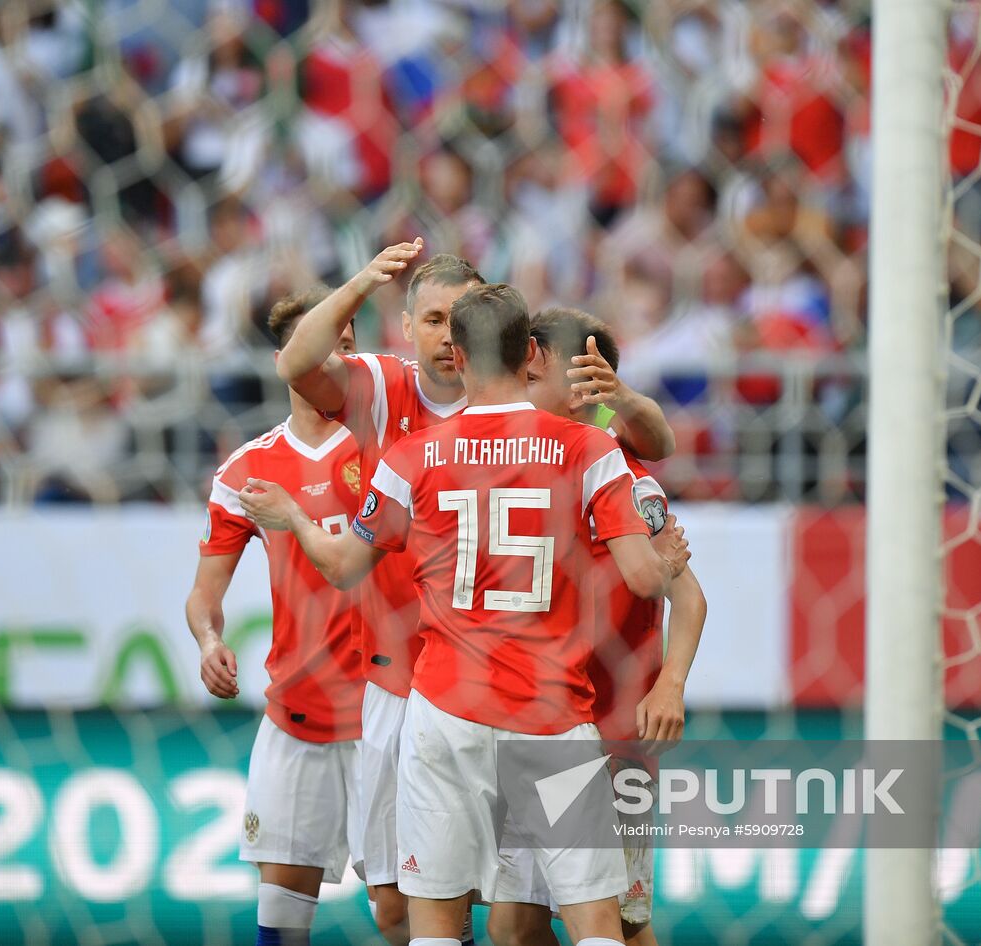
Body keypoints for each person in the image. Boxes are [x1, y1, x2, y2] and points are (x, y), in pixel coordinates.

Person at [242, 283, 690, 946]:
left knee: (438, 922)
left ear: (455, 351)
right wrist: (670, 561)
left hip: (445, 712)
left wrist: (294, 519)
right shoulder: (586, 451)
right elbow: (645, 578)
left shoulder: (411, 457)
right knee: (598, 924)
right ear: (531, 352)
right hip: (551, 712)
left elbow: (342, 567)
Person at [488, 307, 708, 946]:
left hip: (614, 735)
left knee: (619, 924)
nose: (519, 384)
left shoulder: (627, 478)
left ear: (586, 379)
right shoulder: (510, 471)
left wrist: (669, 687)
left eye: (533, 373)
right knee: (515, 925)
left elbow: (690, 599)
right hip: (531, 726)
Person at [184, 288, 365, 946]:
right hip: (299, 713)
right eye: (324, 347)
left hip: (389, 710)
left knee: (409, 914)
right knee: (284, 919)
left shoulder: (388, 450)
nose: (340, 359)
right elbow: (204, 595)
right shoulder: (248, 470)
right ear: (288, 360)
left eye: (348, 345)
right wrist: (209, 640)